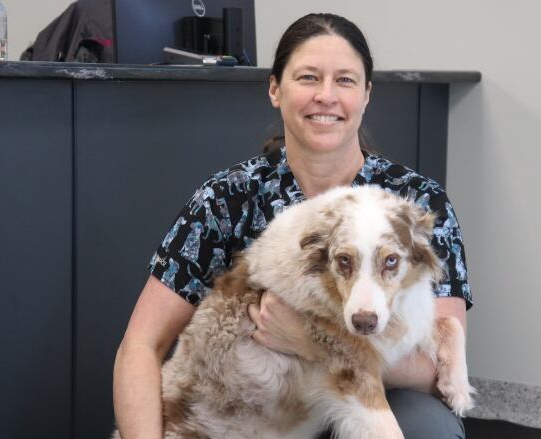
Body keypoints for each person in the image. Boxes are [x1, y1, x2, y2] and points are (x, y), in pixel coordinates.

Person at [113, 13, 473, 439]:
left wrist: (311, 342)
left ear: (366, 94)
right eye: (307, 77)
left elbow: (436, 373)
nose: (326, 96)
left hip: (369, 401)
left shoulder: (416, 202)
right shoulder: (226, 198)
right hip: (254, 413)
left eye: (345, 80)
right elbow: (140, 345)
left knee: (428, 427)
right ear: (274, 90)